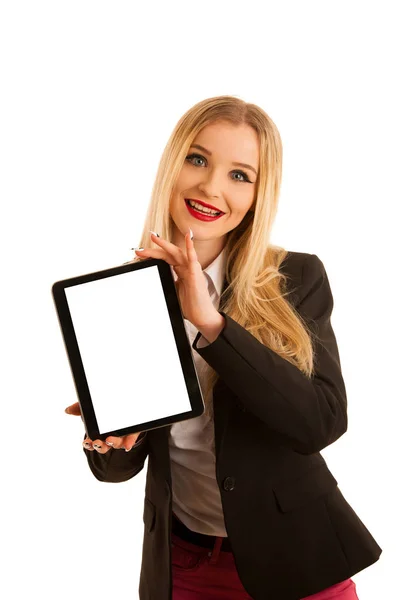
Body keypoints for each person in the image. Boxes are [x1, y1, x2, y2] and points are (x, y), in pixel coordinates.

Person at [65, 95, 382, 600]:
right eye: (197, 159)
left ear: (259, 194)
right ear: (172, 165)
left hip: (298, 560)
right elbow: (117, 471)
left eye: (240, 175)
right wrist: (107, 434)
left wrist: (211, 323)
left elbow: (321, 423)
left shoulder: (297, 276)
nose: (211, 187)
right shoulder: (125, 297)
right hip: (184, 565)